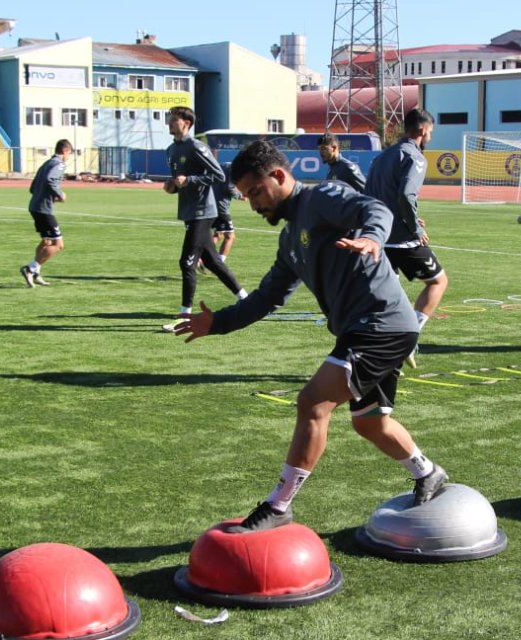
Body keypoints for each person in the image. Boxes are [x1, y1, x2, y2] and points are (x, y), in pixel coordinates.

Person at [171, 140, 448, 533]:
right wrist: (215, 322)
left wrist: (372, 237)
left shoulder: (323, 197)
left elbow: (375, 208)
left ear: (279, 176)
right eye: (246, 197)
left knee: (313, 403)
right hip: (365, 328)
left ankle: (279, 505)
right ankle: (428, 473)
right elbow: (266, 298)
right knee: (370, 422)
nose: (252, 205)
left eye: (255, 193)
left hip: (380, 324)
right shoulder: (290, 242)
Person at [364, 108, 447, 368]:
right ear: (423, 130)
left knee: (387, 300)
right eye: (431, 131)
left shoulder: (382, 157)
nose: (430, 135)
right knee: (438, 282)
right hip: (401, 239)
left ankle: (374, 358)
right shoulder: (414, 156)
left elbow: (371, 195)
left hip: (378, 237)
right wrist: (415, 229)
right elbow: (405, 196)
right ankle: (409, 338)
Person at [162, 106, 247, 331]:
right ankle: (245, 298)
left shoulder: (197, 147)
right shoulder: (171, 150)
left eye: (174, 119)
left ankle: (184, 316)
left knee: (186, 262)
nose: (170, 122)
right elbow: (178, 181)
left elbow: (217, 175)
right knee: (212, 262)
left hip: (204, 211)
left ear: (186, 123)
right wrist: (172, 186)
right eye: (169, 119)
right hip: (189, 211)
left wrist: (189, 180)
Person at [19, 139, 72, 287]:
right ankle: (30, 269)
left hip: (35, 206)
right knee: (58, 244)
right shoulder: (59, 164)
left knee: (46, 241)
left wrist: (43, 195)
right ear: (65, 151)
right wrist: (59, 194)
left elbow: (33, 186)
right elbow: (50, 180)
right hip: (44, 209)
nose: (68, 157)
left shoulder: (46, 163)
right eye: (69, 154)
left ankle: (35, 273)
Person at [205, 161, 241, 273]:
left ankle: (201, 257)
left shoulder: (221, 165)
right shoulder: (234, 169)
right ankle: (218, 265)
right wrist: (240, 196)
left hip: (211, 204)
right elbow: (229, 188)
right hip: (221, 208)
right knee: (230, 236)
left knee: (218, 234)